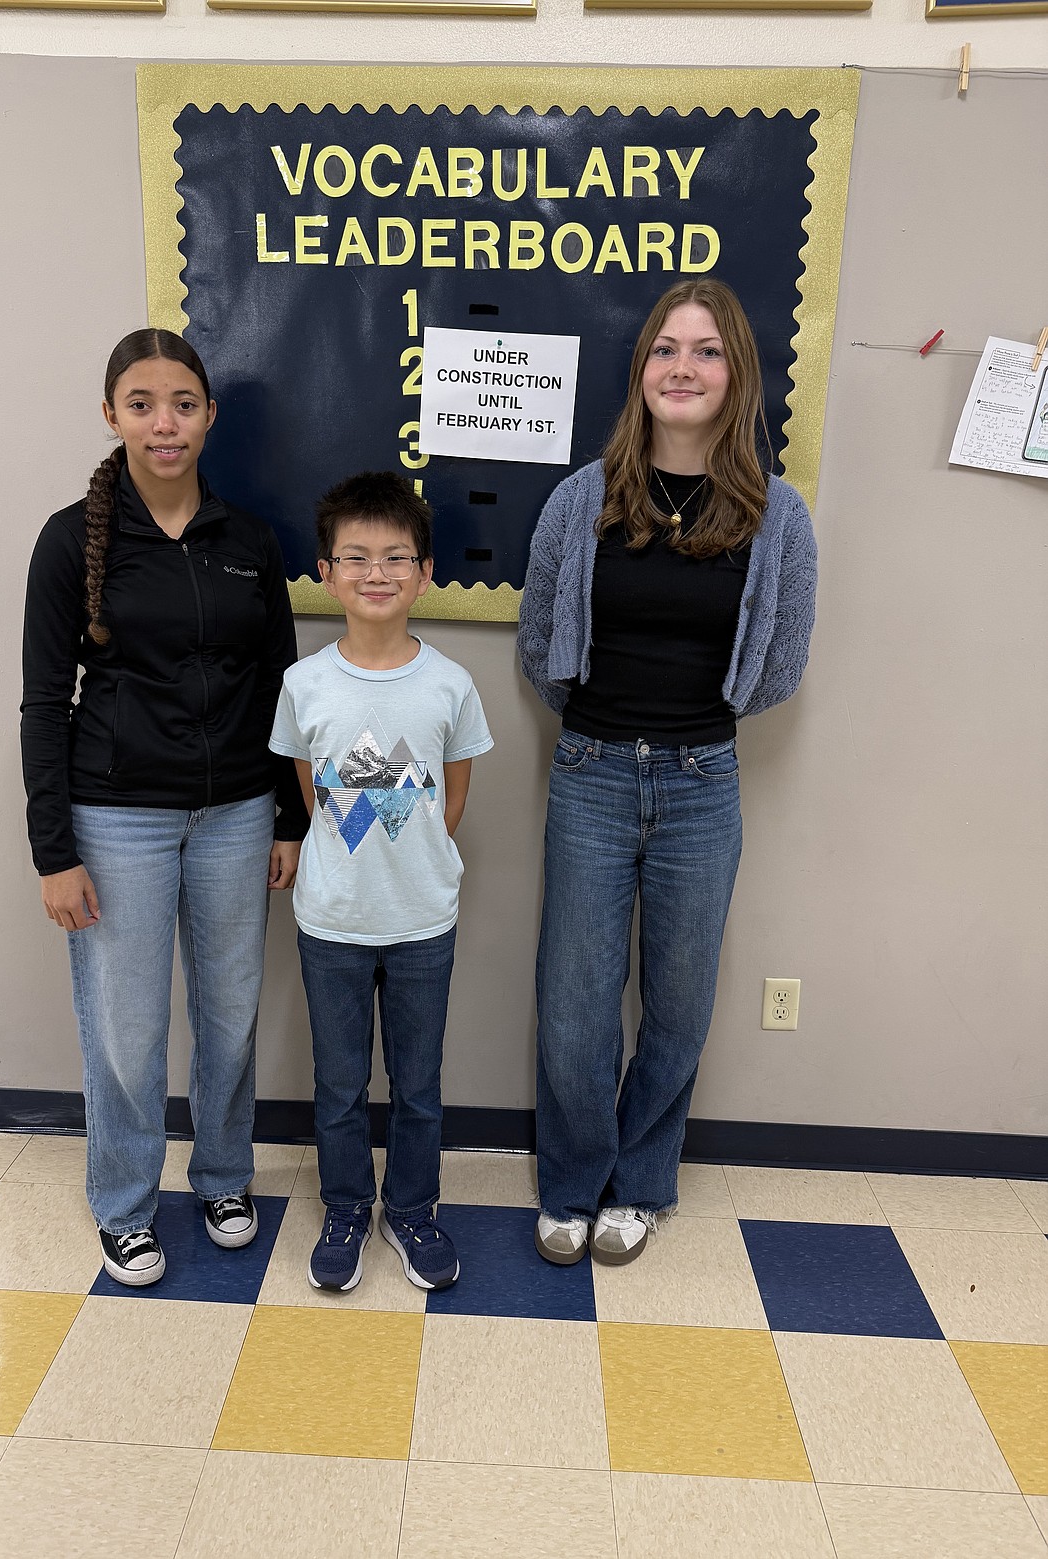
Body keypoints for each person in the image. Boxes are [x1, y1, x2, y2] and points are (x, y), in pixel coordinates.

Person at [517, 279, 817, 1267]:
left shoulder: (779, 518)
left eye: (706, 351)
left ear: (738, 377)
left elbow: (778, 667)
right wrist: (607, 728)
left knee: (679, 1002)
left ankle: (639, 1183)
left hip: (702, 783)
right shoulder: (581, 499)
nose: (682, 368)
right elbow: (539, 647)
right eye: (664, 350)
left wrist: (686, 727)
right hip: (593, 774)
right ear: (640, 371)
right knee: (574, 1001)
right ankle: (570, 1180)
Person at [21, 328, 306, 1287]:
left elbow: (280, 685)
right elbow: (40, 701)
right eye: (141, 403)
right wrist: (52, 849)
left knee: (230, 1016)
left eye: (182, 402)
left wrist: (288, 817)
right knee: (127, 1028)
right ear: (112, 416)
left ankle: (224, 1178)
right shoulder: (71, 541)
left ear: (209, 415)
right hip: (116, 820)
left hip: (234, 816)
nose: (164, 422)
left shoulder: (249, 542)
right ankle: (127, 1204)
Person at [270, 472, 493, 1293]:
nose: (376, 572)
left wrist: (412, 856)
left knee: (419, 1085)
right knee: (336, 1085)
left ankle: (412, 1209)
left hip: (423, 920)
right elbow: (310, 791)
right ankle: (345, 1207)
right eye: (355, 556)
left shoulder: (450, 684)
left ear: (425, 571)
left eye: (396, 557)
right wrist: (357, 853)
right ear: (325, 572)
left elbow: (453, 794)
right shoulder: (305, 684)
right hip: (330, 919)